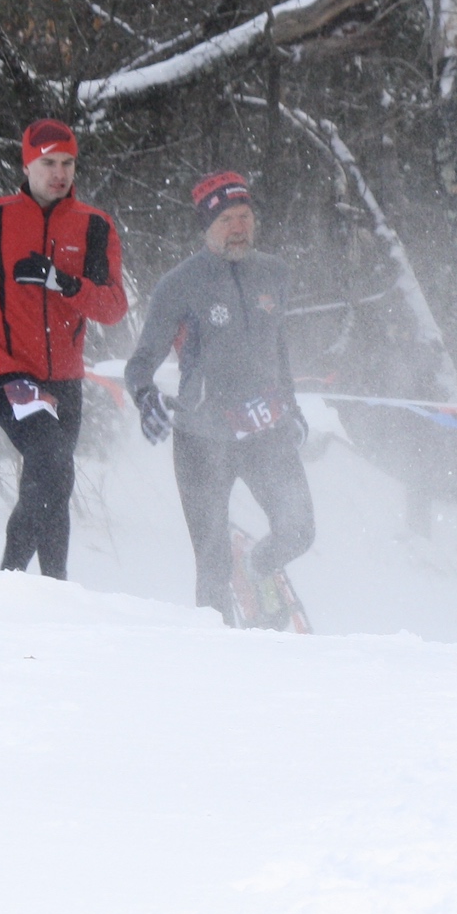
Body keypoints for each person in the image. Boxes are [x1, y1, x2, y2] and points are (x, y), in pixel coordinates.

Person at [0, 119, 129, 579]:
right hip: (8, 371)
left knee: (55, 479)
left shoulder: (93, 226)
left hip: (65, 379)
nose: (59, 174)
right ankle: (12, 578)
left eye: (68, 163)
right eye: (48, 163)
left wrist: (64, 282)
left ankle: (52, 587)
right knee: (50, 459)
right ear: (27, 164)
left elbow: (113, 306)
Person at [124, 172, 314, 623]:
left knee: (300, 530)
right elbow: (139, 364)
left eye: (245, 216)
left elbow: (279, 351)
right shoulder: (179, 284)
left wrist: (294, 410)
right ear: (206, 226)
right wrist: (146, 398)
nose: (238, 227)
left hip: (266, 431)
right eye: (227, 218)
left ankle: (258, 568)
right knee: (211, 560)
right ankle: (218, 656)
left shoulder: (274, 273)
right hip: (202, 438)